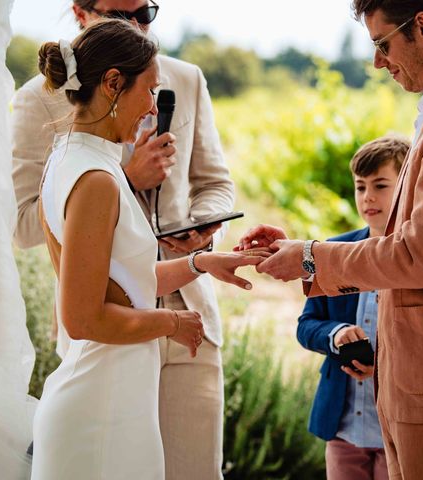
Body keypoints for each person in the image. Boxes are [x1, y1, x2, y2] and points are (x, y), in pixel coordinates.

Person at [236, 1, 423, 478]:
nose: (377, 62)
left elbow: (419, 256)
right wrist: (303, 251)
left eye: (382, 43)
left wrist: (311, 258)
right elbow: (415, 242)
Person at [32, 19, 265, 479]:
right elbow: (82, 317)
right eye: (150, 90)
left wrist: (200, 262)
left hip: (114, 400)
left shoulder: (75, 157)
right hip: (100, 409)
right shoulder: (96, 179)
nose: (153, 107)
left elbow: (123, 281)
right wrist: (171, 321)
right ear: (113, 83)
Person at [297, 136, 409, 480]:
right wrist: (336, 333)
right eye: (360, 187)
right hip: (343, 428)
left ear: (407, 185)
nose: (368, 197)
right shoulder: (334, 250)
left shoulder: (417, 259)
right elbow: (306, 325)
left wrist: (386, 369)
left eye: (380, 185)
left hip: (398, 431)